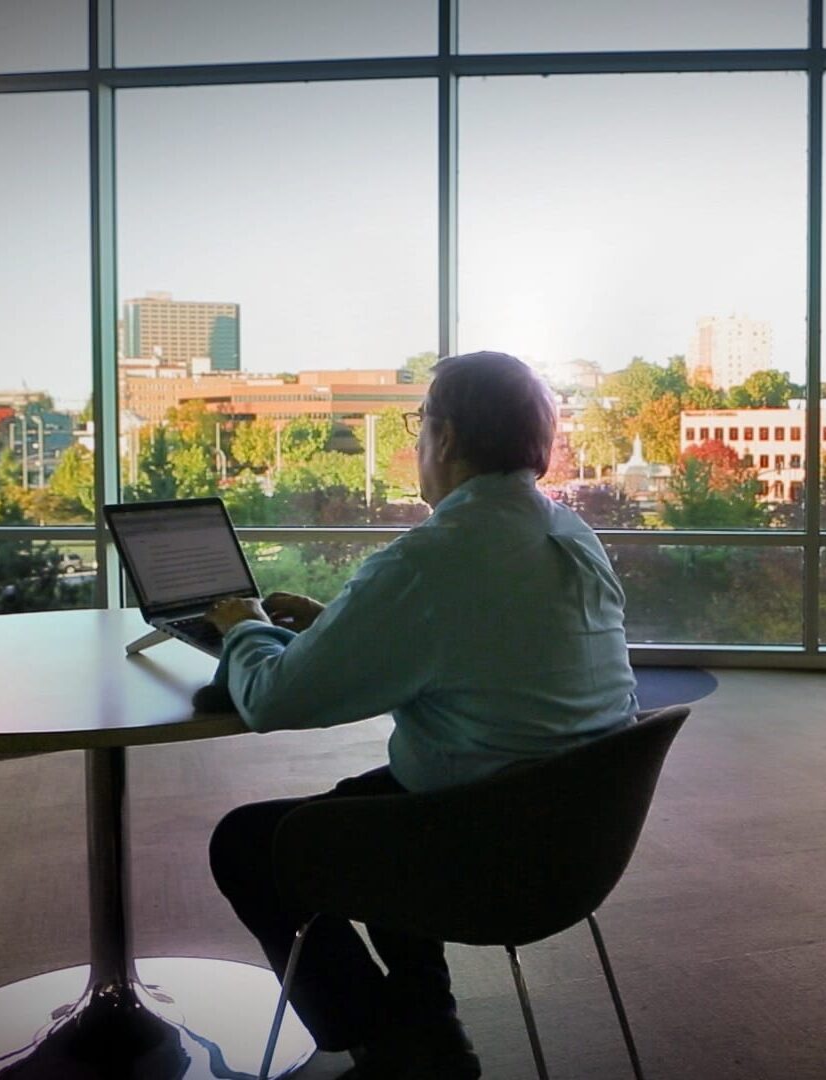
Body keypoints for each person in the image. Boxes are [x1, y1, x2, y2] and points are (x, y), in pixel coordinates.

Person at [205, 351, 638, 1079]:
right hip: (577, 834)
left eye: (419, 422)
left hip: (480, 848)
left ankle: (389, 1041)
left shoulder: (432, 559)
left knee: (247, 844)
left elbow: (276, 699)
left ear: (446, 436)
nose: (416, 440)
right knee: (384, 802)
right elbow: (486, 650)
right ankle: (431, 1030)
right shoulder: (569, 535)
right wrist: (336, 624)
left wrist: (244, 626)